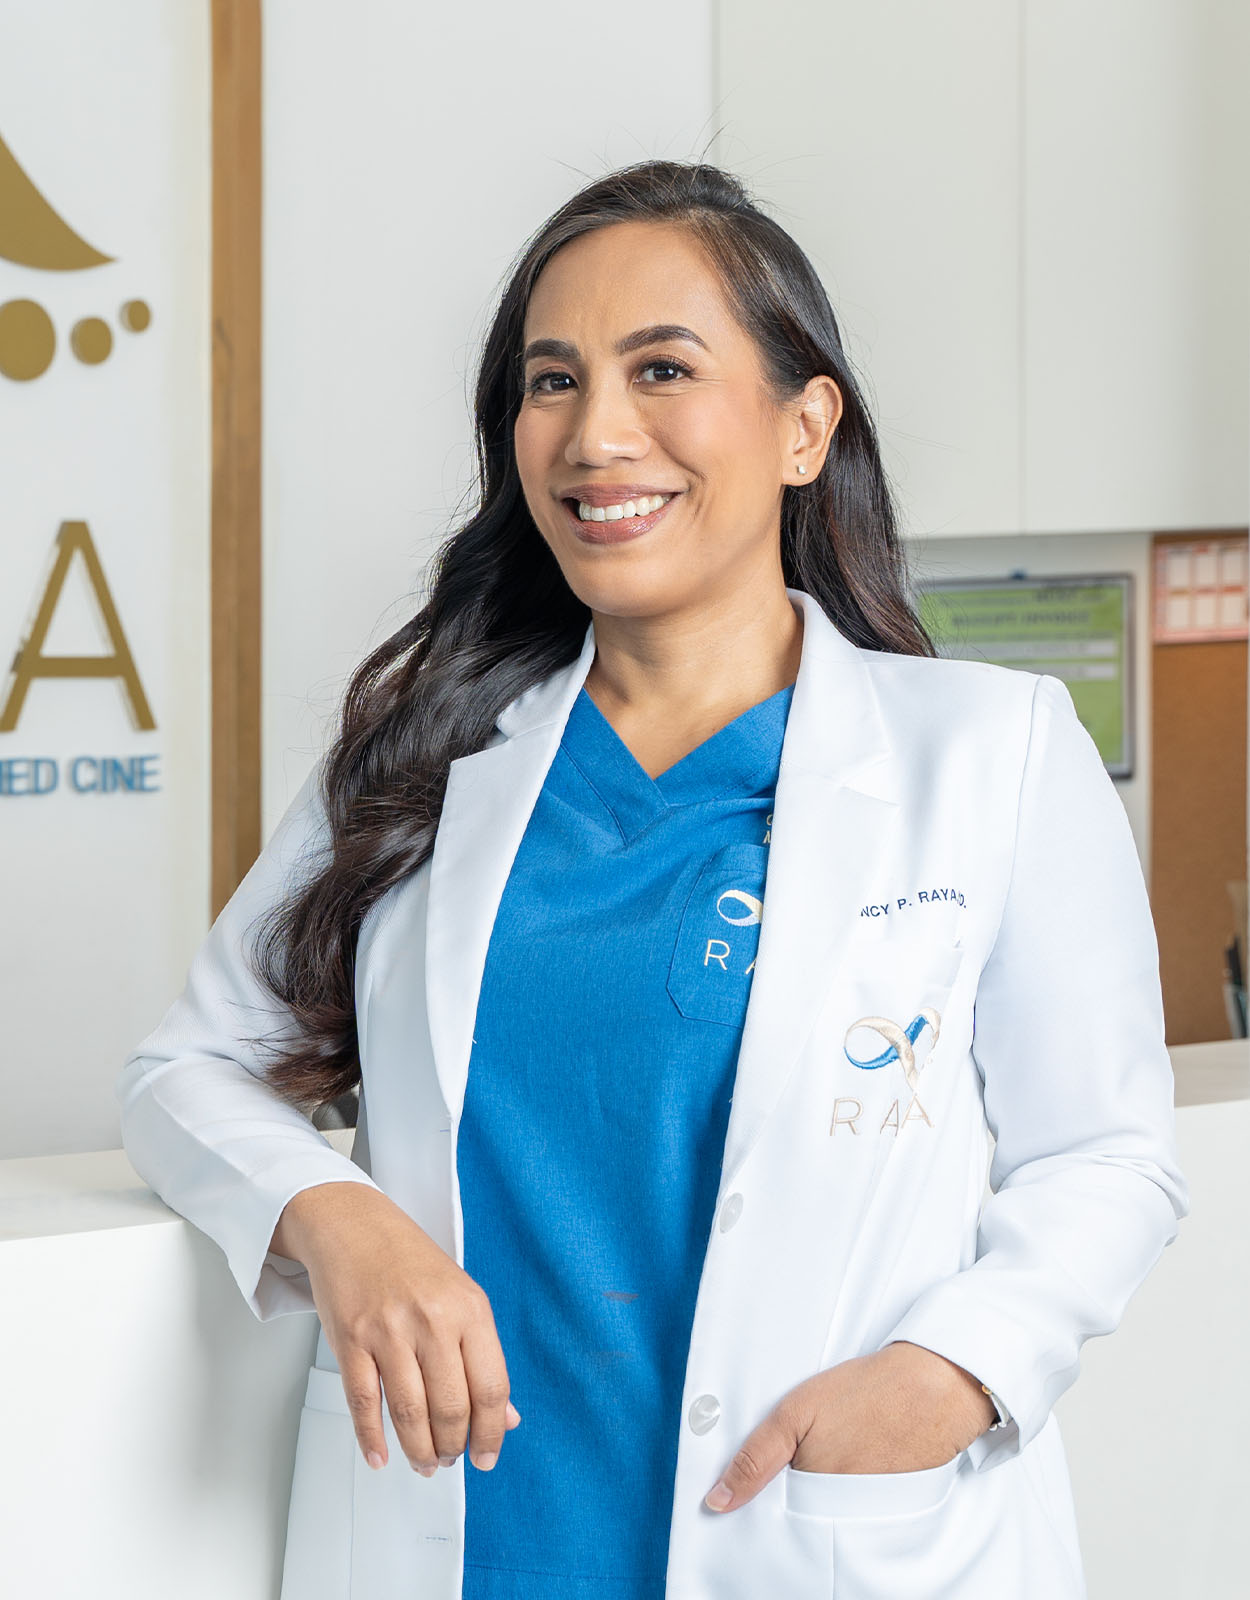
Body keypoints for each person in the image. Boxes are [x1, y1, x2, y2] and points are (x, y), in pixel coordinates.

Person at [117, 159, 1189, 1599]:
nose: (595, 434)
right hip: (471, 1538)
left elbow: (1105, 1155)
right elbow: (187, 1070)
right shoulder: (420, 758)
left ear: (804, 427)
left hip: (816, 1530)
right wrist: (339, 1217)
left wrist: (951, 1373)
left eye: (661, 369)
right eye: (551, 381)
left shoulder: (991, 754)